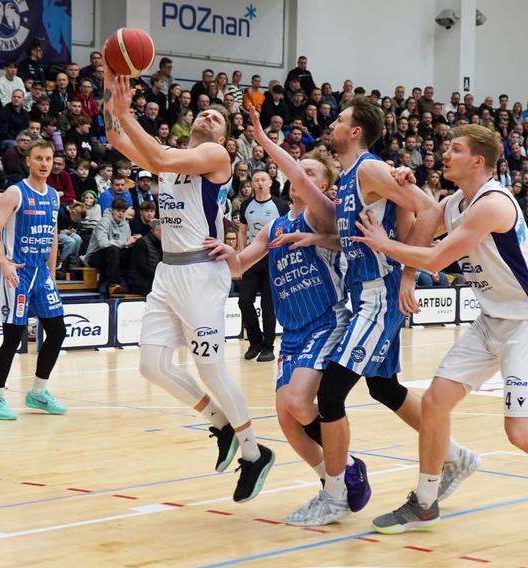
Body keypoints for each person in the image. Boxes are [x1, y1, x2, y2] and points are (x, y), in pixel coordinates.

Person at [354, 124, 528, 556]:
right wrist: (406, 261)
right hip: (491, 320)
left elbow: (438, 257)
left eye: (455, 149)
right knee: (433, 402)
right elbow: (425, 219)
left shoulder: (492, 204)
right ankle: (425, 503)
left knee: (521, 431)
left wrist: (384, 245)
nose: (445, 154)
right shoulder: (456, 201)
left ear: (477, 161)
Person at [283, 96, 478, 527]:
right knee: (384, 388)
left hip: (380, 294)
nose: (331, 124)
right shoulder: (358, 176)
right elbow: (406, 220)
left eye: (339, 119)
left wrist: (409, 274)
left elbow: (427, 208)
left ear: (355, 132)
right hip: (366, 293)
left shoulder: (370, 169)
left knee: (331, 394)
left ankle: (335, 495)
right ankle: (456, 458)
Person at [103, 72, 274, 502]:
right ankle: (220, 424)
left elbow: (156, 157)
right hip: (169, 272)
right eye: (205, 113)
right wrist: (111, 84)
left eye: (218, 117)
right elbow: (116, 137)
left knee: (210, 367)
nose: (210, 117)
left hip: (202, 273)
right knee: (151, 366)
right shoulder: (172, 158)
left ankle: (254, 453)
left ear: (224, 135)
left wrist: (127, 114)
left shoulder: (215, 155)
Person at [205, 105, 373, 515]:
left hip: (325, 321)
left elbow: (300, 178)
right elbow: (242, 264)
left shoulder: (324, 217)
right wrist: (229, 251)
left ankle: (348, 469)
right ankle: (330, 480)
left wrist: (263, 139)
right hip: (292, 331)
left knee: (299, 401)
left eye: (311, 173)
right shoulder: (274, 225)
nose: (303, 177)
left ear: (324, 186)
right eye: (301, 173)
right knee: (286, 418)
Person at [0, 140, 68, 420]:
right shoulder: (14, 193)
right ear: (29, 161)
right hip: (17, 273)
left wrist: (52, 273)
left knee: (57, 331)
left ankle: (38, 392)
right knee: (12, 338)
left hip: (41, 273)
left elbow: (53, 236)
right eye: (39, 158)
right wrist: (3, 263)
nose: (45, 163)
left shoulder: (54, 195)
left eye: (49, 158)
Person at [237, 170, 288, 362]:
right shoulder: (245, 205)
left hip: (273, 260)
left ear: (270, 183)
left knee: (268, 305)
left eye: (263, 180)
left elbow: (285, 230)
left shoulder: (280, 205)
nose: (259, 183)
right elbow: (242, 232)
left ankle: (268, 346)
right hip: (251, 259)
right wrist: (241, 256)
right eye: (256, 180)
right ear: (252, 183)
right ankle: (255, 341)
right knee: (244, 301)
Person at [126, 218, 163, 295]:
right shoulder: (142, 243)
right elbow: (142, 267)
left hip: (152, 281)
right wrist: (160, 275)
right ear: (156, 231)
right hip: (139, 283)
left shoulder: (160, 244)